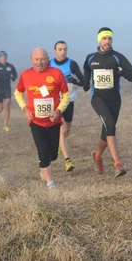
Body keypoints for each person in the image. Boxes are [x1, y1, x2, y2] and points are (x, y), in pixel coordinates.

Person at [83, 27, 132, 177]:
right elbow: (86, 73)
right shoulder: (91, 58)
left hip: (114, 100)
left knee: (107, 130)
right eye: (104, 38)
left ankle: (97, 156)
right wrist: (86, 83)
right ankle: (117, 164)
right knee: (110, 123)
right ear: (99, 40)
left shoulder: (117, 57)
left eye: (109, 38)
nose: (107, 41)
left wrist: (120, 71)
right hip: (98, 98)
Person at [14, 47, 70, 189]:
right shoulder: (26, 75)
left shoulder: (56, 73)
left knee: (52, 155)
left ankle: (44, 167)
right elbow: (18, 93)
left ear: (47, 59)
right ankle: (51, 184)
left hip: (53, 121)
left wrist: (58, 111)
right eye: (37, 59)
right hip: (35, 121)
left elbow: (66, 95)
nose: (40, 62)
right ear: (31, 59)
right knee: (43, 151)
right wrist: (25, 109)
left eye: (43, 59)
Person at [49, 40, 85, 172]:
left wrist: (73, 80)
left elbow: (83, 81)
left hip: (69, 100)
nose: (63, 51)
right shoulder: (50, 64)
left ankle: (60, 144)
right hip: (56, 102)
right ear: (55, 51)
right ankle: (67, 160)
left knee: (66, 130)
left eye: (65, 49)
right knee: (62, 129)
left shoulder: (72, 64)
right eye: (60, 49)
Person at [0, 51, 18, 132]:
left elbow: (15, 74)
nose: (3, 58)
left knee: (7, 104)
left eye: (5, 57)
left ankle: (6, 124)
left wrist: (13, 78)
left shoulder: (10, 66)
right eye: (2, 57)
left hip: (7, 88)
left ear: (6, 57)